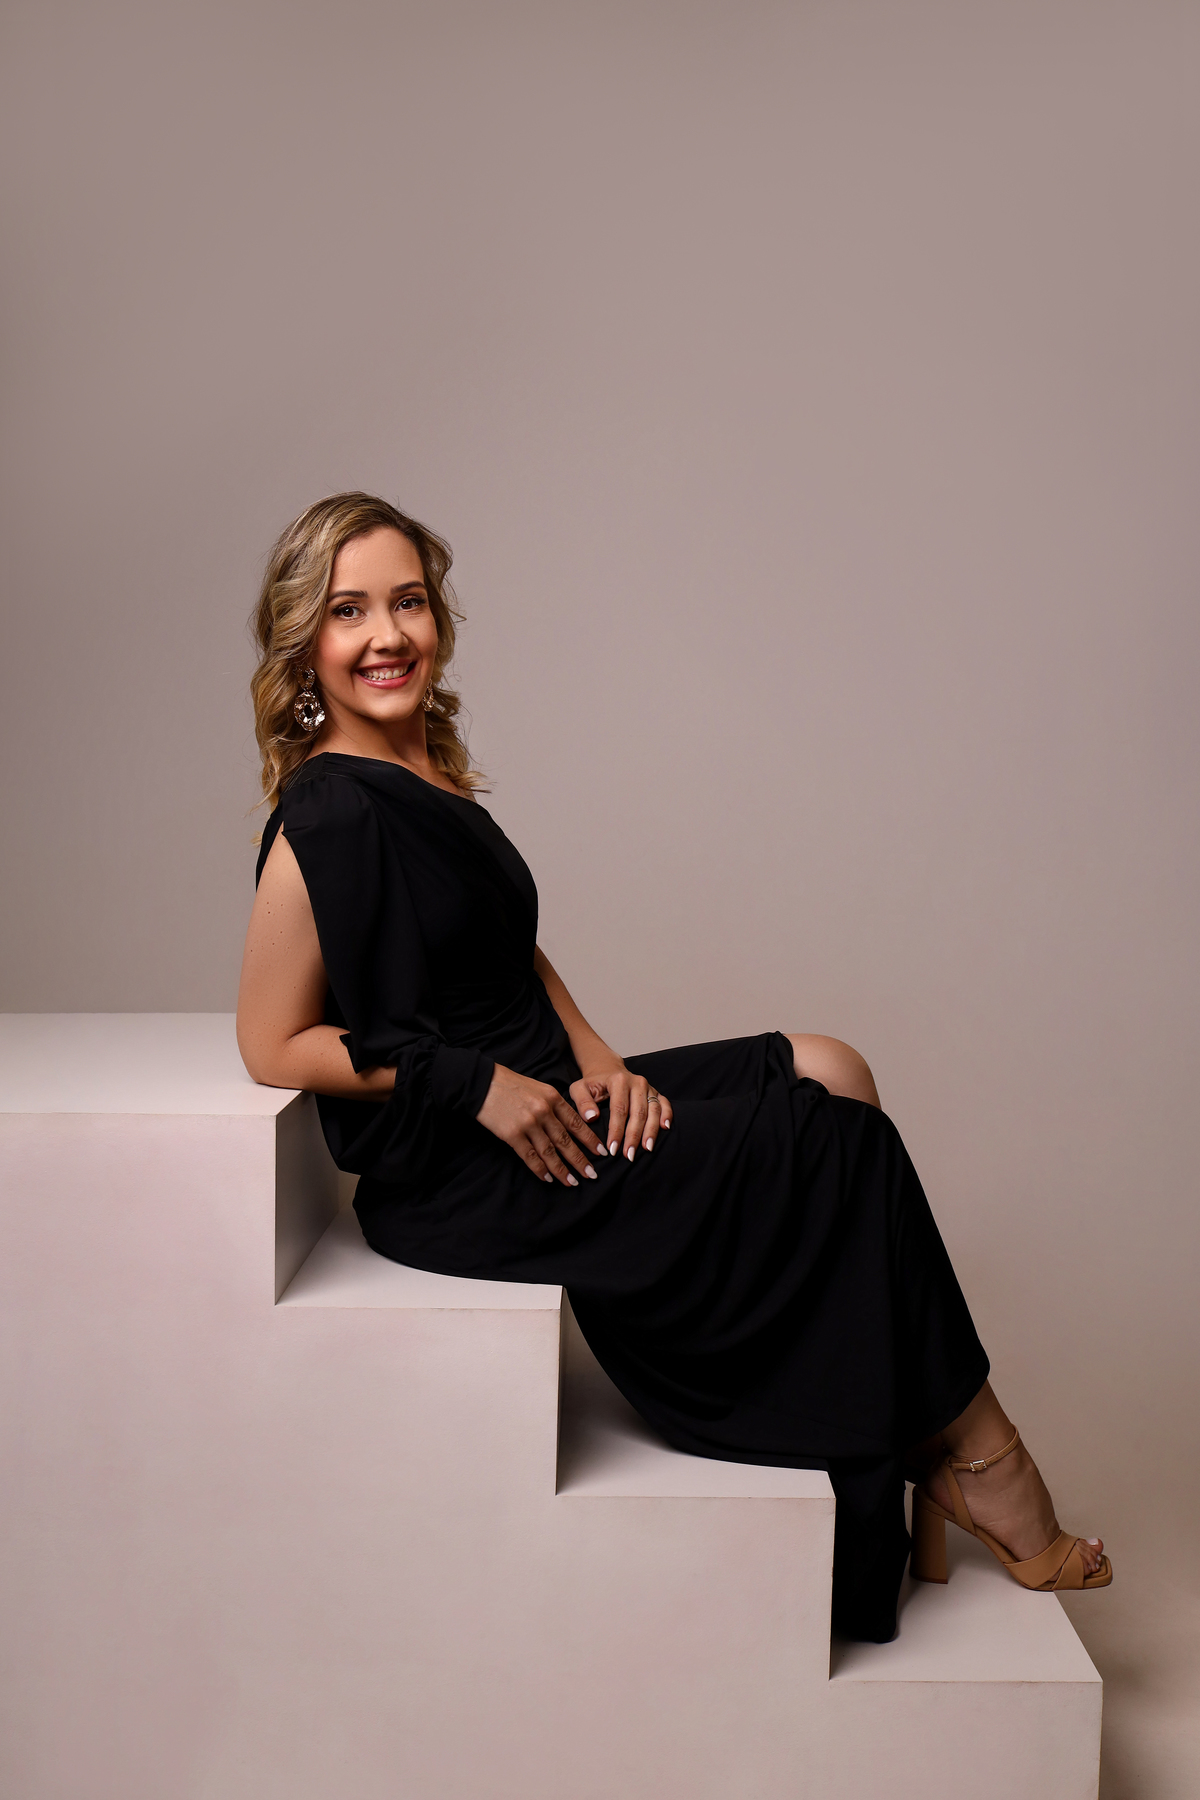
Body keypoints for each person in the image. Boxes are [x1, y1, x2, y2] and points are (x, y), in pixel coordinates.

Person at [236, 491, 1110, 1642]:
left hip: (553, 1096)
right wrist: (476, 1086)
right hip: (472, 1169)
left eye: (407, 602)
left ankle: (906, 1429)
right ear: (305, 639)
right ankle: (983, 1463)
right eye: (350, 611)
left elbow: (507, 951)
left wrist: (599, 1057)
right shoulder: (332, 814)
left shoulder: (423, 767)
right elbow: (272, 1042)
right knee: (840, 1144)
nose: (387, 635)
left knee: (829, 1066)